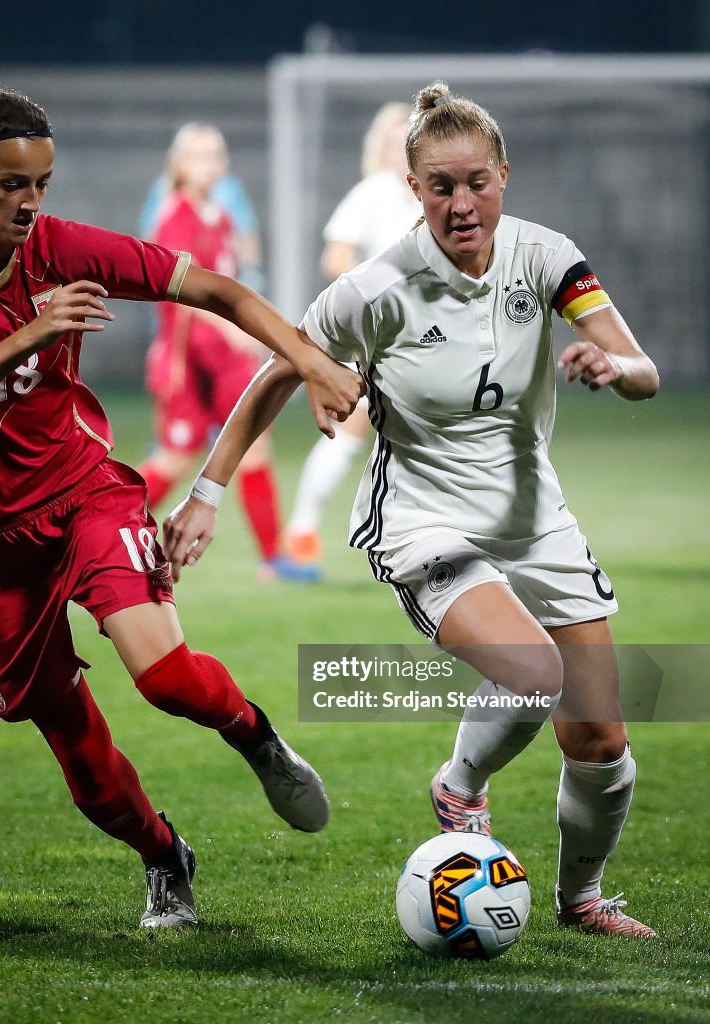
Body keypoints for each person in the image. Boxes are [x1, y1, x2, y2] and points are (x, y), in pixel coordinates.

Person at [164, 81, 661, 939]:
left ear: (505, 175)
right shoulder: (376, 288)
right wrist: (206, 493)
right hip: (424, 521)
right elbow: (274, 375)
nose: (461, 203)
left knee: (603, 744)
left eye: (477, 182)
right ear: (414, 190)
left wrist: (617, 371)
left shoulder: (546, 257)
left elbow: (642, 367)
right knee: (533, 674)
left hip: (535, 516)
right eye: (440, 186)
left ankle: (581, 901)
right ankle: (460, 787)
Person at [0, 89, 364, 932]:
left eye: (43, 183)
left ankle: (255, 735)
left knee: (166, 675)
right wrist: (32, 334)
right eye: (9, 185)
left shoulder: (65, 248)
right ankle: (163, 856)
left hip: (80, 498)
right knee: (77, 746)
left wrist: (313, 363)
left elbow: (217, 289)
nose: (31, 204)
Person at [137, 123, 316, 582]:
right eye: (198, 155)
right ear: (178, 165)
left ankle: (272, 559)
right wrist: (236, 329)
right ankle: (97, 532)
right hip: (190, 361)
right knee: (175, 457)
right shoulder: (176, 215)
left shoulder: (219, 216)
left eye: (216, 154)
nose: (210, 163)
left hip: (221, 360)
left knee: (255, 447)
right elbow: (185, 295)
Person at [285, 102, 418, 570]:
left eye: (410, 142)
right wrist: (380, 284)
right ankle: (302, 531)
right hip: (382, 336)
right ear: (379, 150)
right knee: (353, 428)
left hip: (433, 334)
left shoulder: (433, 197)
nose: (402, 152)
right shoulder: (372, 194)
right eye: (394, 143)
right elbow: (335, 259)